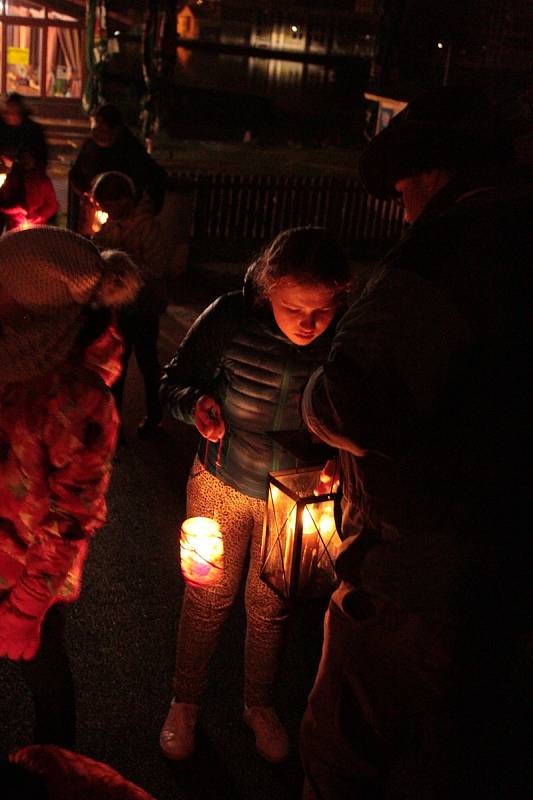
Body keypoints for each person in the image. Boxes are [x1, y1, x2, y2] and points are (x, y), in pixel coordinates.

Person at [299, 86, 532, 798]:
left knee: (347, 758)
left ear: (433, 174)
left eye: (402, 192)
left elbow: (355, 399)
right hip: (499, 580)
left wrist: (313, 399)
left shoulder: (453, 250)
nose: (402, 212)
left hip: (414, 580)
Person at [159, 227, 353, 763]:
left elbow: (358, 410)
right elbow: (172, 380)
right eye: (294, 308)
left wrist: (343, 454)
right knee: (206, 598)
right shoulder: (229, 317)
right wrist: (193, 404)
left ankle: (259, 705)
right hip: (223, 481)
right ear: (268, 293)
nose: (309, 324)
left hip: (298, 496)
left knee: (272, 605)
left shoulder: (347, 336)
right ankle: (185, 702)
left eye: (323, 311)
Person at [0, 226, 140, 749]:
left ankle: (53, 764)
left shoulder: (79, 399)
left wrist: (26, 608)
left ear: (38, 309)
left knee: (42, 667)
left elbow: (72, 517)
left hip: (26, 576)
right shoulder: (12, 353)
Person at [92, 171, 167, 438]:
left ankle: (155, 416)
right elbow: (99, 245)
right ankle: (115, 423)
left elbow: (157, 267)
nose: (104, 210)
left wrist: (124, 267)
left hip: (144, 305)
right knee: (117, 364)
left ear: (123, 198)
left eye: (107, 203)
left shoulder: (147, 227)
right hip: (121, 306)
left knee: (147, 361)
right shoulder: (113, 224)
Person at [69, 103, 166, 235]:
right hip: (93, 215)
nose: (97, 134)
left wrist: (140, 211)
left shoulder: (131, 150)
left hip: (124, 223)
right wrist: (84, 193)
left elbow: (154, 178)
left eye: (103, 130)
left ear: (116, 130)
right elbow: (75, 174)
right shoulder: (89, 147)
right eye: (95, 128)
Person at [0, 142, 58, 231]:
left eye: (29, 157)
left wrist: (39, 215)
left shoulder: (43, 181)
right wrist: (17, 209)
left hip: (37, 229)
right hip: (15, 229)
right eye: (23, 158)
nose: (26, 161)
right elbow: (3, 203)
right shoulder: (12, 179)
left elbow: (52, 205)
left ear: (34, 160)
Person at [0, 92, 48, 170]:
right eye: (7, 112)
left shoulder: (33, 131)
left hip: (25, 174)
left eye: (14, 112)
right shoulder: (1, 127)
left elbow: (40, 156)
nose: (11, 116)